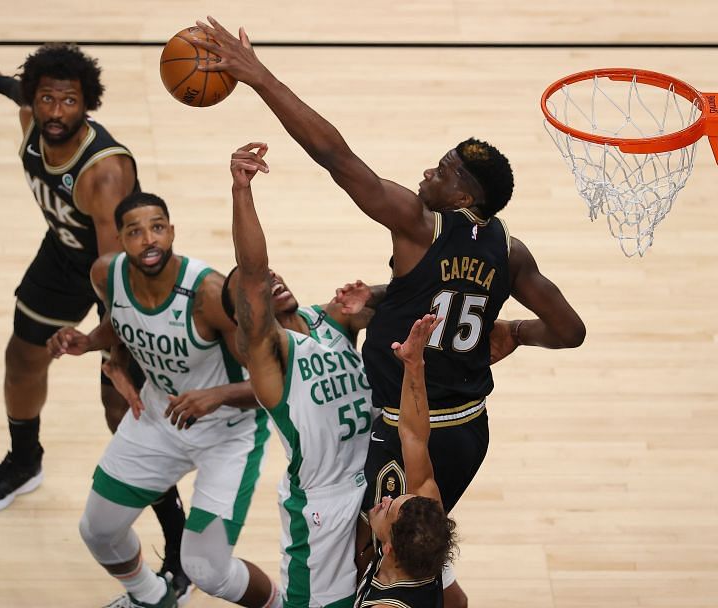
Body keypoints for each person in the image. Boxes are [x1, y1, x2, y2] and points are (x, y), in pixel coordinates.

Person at [186, 19, 587, 607]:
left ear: (463, 198)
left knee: (373, 556)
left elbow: (336, 158)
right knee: (422, 555)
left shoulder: (420, 225)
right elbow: (570, 331)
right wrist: (516, 332)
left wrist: (258, 76)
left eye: (444, 171)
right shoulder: (510, 251)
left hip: (411, 427)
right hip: (469, 428)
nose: (429, 171)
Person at [0, 45, 190, 597]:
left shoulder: (103, 172)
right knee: (22, 357)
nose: (56, 110)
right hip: (63, 257)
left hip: (128, 279)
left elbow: (116, 272)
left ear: (89, 105)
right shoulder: (30, 116)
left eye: (69, 101)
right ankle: (23, 459)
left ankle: (178, 548)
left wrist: (112, 353)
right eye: (46, 98)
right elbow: (20, 94)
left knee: (122, 413)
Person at [48, 191, 278, 608]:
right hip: (158, 419)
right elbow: (117, 322)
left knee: (207, 569)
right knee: (98, 530)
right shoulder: (106, 274)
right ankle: (152, 598)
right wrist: (89, 345)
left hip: (228, 435)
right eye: (134, 232)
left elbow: (273, 384)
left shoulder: (208, 295)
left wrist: (218, 395)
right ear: (119, 240)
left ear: (172, 231)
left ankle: (284, 604)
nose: (148, 239)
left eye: (157, 228)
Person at [226, 142, 374, 608]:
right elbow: (251, 272)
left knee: (447, 599)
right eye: (259, 285)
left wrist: (375, 294)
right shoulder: (272, 355)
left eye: (274, 272)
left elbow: (406, 297)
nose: (271, 278)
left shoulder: (332, 318)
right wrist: (242, 191)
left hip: (379, 480)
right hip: (323, 506)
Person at [355, 313, 456, 608]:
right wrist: (414, 365)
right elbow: (413, 434)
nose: (386, 499)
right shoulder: (418, 545)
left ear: (388, 549)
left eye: (389, 509)